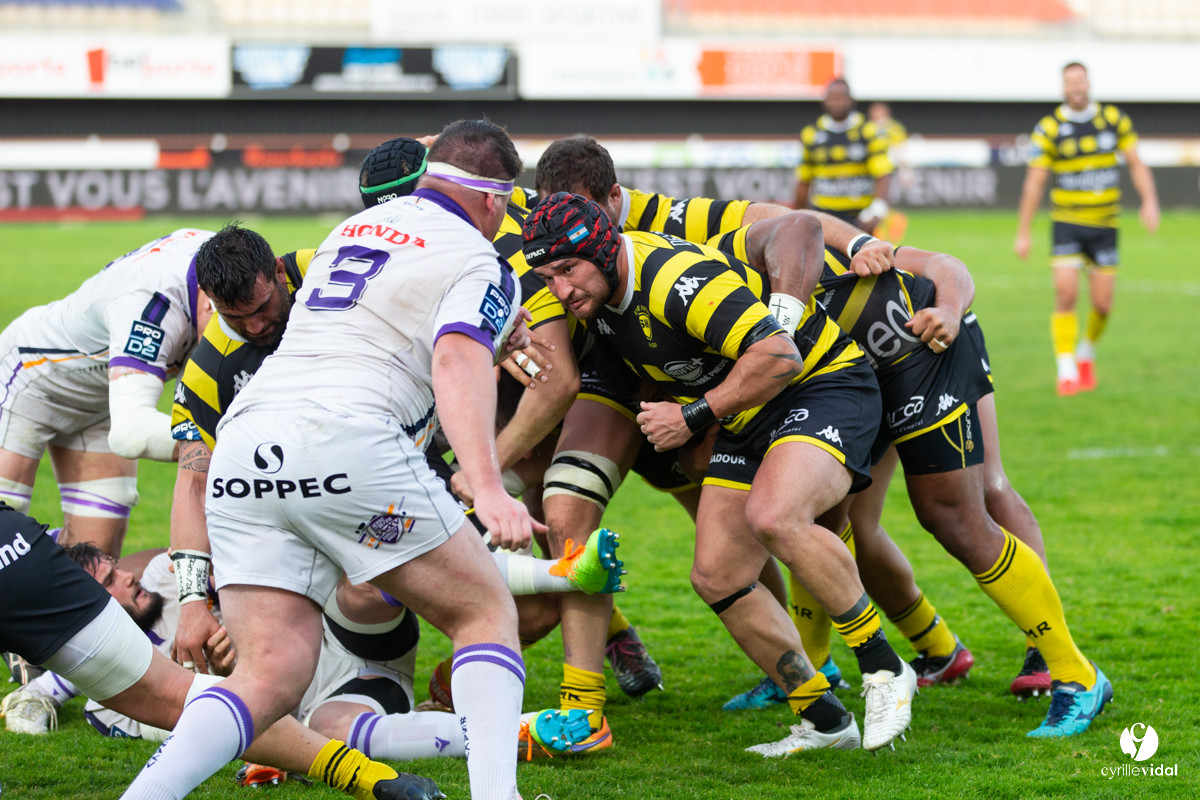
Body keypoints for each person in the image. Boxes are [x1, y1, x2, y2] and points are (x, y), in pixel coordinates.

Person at [119, 119, 541, 800]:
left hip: (245, 447)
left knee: (268, 675)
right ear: (493, 198)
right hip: (347, 439)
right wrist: (487, 487)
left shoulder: (351, 231)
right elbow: (454, 354)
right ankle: (498, 794)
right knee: (482, 610)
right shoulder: (478, 256)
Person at [524, 192, 919, 753]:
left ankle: (883, 669)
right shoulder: (594, 295)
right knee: (719, 574)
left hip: (821, 384)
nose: (562, 290)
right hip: (748, 410)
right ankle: (825, 721)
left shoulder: (672, 278)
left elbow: (781, 356)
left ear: (605, 247)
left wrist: (692, 415)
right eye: (548, 277)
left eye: (569, 270)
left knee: (776, 517)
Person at [711, 226, 1112, 737]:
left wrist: (947, 309)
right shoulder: (716, 288)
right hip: (852, 382)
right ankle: (896, 653)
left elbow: (949, 265)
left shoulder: (825, 247)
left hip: (925, 355)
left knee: (964, 508)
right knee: (823, 518)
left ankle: (1067, 666)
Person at [0, 503, 442, 800]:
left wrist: (227, 616)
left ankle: (484, 598)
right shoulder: (104, 700)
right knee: (330, 726)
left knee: (363, 587)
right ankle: (485, 727)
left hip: (342, 638)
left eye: (117, 571)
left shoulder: (165, 576)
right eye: (109, 583)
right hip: (338, 697)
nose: (128, 579)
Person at [0, 228, 216, 557]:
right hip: (30, 378)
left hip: (108, 402)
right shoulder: (151, 304)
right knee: (6, 530)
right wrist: (225, 445)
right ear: (209, 297)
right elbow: (132, 434)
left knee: (95, 563)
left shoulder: (234, 266)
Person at [1013, 61, 1159, 396]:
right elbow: (1034, 184)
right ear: (1063, 88)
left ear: (1088, 83)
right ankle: (1065, 369)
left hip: (1105, 224)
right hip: (1067, 224)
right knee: (1066, 293)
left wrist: (1149, 200)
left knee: (1103, 304)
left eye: (1081, 81)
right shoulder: (1049, 128)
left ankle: (1086, 352)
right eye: (1070, 83)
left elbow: (1136, 163)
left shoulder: (1113, 120)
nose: (1076, 87)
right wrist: (1024, 231)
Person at [794, 78, 894, 234]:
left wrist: (878, 208)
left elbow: (883, 173)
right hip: (823, 216)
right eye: (833, 98)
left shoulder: (868, 131)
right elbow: (804, 179)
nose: (837, 102)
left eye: (842, 98)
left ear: (851, 100)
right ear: (825, 101)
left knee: (863, 258)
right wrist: (797, 214)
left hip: (860, 217)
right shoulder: (811, 134)